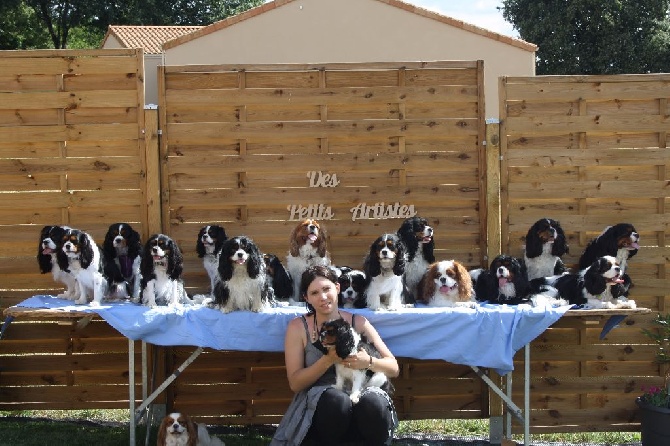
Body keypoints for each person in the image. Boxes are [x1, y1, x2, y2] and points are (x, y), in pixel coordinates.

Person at [271, 265, 399, 446]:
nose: (323, 297)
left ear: (337, 288)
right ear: (306, 297)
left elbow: (393, 368)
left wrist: (368, 361)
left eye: (326, 289)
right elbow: (295, 383)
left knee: (374, 403)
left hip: (361, 387)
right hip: (322, 401)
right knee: (337, 400)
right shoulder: (298, 327)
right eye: (314, 293)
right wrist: (328, 359)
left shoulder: (358, 322)